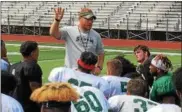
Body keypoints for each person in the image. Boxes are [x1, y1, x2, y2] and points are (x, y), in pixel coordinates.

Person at [49, 7, 105, 75]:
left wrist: (99, 67)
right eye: (87, 19)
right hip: (71, 73)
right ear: (80, 18)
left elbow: (101, 53)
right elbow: (53, 33)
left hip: (89, 74)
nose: (90, 22)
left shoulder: (96, 35)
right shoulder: (69, 30)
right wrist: (57, 20)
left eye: (92, 19)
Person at [9, 41, 42, 112]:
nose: (38, 53)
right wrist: (42, 106)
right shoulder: (32, 66)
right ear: (32, 53)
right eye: (37, 51)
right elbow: (35, 90)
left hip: (14, 105)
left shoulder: (13, 66)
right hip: (28, 107)